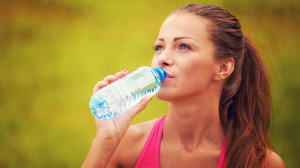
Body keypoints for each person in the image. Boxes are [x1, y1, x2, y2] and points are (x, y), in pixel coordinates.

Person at [82, 4, 286, 168]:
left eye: (184, 46)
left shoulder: (261, 163)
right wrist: (106, 140)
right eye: (159, 47)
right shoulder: (125, 146)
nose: (163, 58)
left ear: (223, 67)